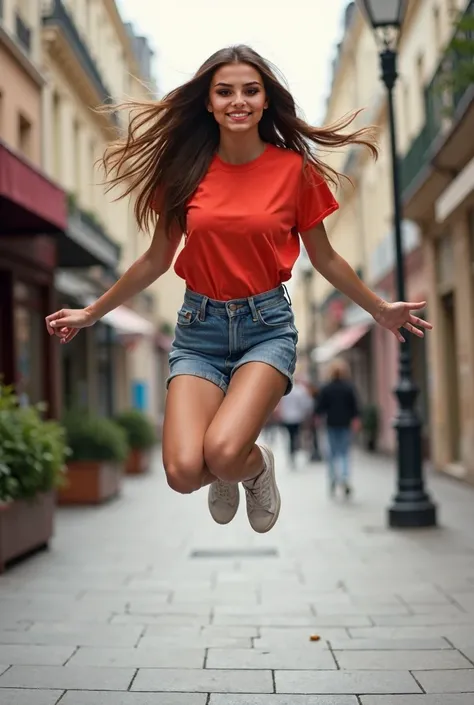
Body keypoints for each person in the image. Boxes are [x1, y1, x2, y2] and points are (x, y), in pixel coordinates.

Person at [45, 45, 432, 534]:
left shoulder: (295, 171)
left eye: (251, 90)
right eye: (224, 91)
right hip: (197, 331)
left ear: (266, 100)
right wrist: (91, 312)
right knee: (184, 472)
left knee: (225, 453)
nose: (238, 101)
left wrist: (379, 309)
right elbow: (155, 260)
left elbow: (326, 258)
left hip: (265, 329)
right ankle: (238, 466)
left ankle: (249, 466)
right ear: (208, 102)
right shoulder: (184, 173)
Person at [316, 358, 361, 497]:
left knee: (332, 454)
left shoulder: (326, 388)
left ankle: (333, 479)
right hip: (345, 424)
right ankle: (344, 477)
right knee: (344, 453)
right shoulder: (349, 387)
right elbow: (355, 407)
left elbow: (319, 408)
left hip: (331, 424)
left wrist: (317, 420)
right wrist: (356, 420)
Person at [277, 378, 313, 468]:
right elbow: (305, 404)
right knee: (296, 435)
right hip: (297, 417)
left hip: (287, 417)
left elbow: (280, 403)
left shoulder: (284, 391)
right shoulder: (300, 390)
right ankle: (294, 451)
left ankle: (291, 453)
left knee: (290, 436)